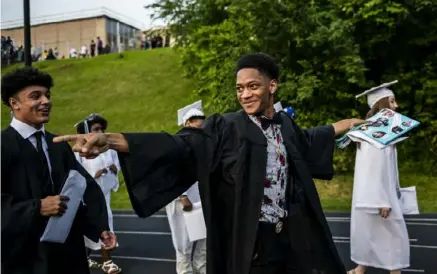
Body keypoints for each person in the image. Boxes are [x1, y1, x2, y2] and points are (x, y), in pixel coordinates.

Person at [54, 53, 364, 274]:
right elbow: (182, 144)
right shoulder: (228, 127)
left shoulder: (284, 125)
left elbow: (310, 140)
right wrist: (109, 139)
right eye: (240, 88)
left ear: (272, 86)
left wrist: (347, 123)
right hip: (249, 241)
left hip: (290, 237)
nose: (245, 94)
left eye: (253, 86)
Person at [1, 67, 117, 274]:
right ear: (14, 103)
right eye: (35, 96)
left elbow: (84, 186)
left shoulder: (58, 145)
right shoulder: (3, 145)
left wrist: (100, 227)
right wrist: (37, 207)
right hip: (24, 254)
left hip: (67, 252)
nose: (46, 101)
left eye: (47, 95)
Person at [348, 82, 409, 274]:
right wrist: (382, 200)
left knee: (373, 232)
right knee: (393, 236)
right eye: (392, 101)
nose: (396, 106)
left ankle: (360, 270)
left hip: (381, 194)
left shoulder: (380, 133)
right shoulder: (373, 136)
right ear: (381, 104)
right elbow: (373, 169)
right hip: (379, 196)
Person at [74, 113, 122, 274]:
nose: (100, 131)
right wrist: (93, 176)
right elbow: (76, 173)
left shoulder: (108, 149)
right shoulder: (79, 151)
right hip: (88, 197)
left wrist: (114, 169)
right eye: (96, 129)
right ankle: (106, 261)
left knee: (104, 224)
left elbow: (116, 163)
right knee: (92, 226)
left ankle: (91, 258)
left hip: (105, 195)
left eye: (101, 128)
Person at [166, 101, 207, 274]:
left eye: (201, 121)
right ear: (187, 123)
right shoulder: (175, 145)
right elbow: (169, 172)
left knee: (204, 240)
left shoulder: (203, 144)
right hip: (181, 200)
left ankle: (202, 270)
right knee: (184, 243)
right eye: (195, 121)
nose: (199, 125)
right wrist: (182, 196)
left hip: (200, 198)